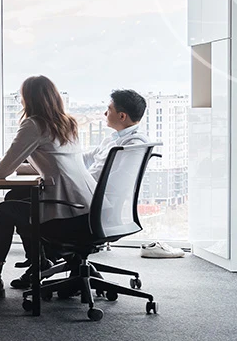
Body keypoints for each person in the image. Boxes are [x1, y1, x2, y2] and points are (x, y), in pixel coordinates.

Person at [0, 75, 96, 298]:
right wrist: (8, 163)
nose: (21, 101)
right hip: (88, 206)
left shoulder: (34, 124)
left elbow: (1, 173)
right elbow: (55, 164)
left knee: (7, 210)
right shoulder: (67, 123)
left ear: (29, 99)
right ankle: (38, 264)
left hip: (66, 210)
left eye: (22, 97)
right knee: (15, 196)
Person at [8, 89, 151, 288]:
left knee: (18, 207)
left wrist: (71, 179)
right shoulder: (112, 139)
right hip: (91, 201)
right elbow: (80, 161)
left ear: (122, 115)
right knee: (16, 195)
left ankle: (42, 263)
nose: (104, 113)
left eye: (108, 109)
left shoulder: (132, 145)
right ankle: (46, 262)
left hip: (96, 210)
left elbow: (107, 184)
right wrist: (53, 163)